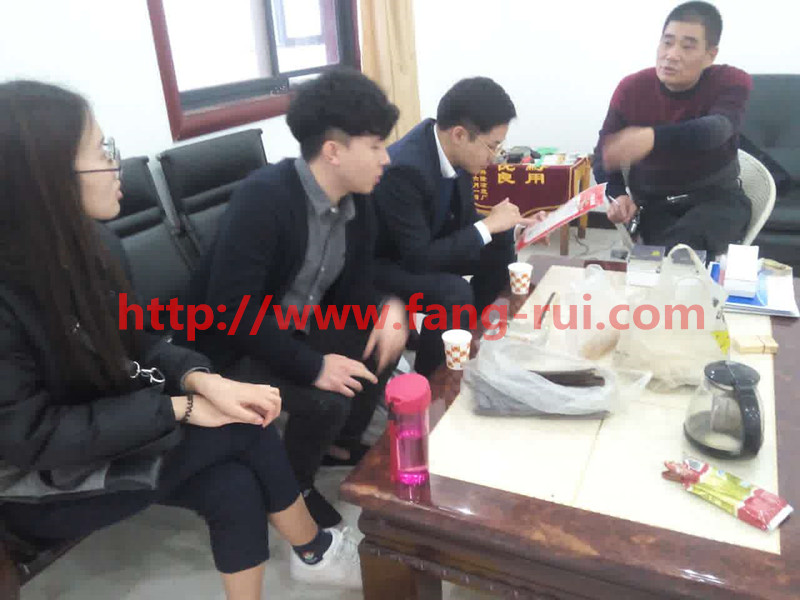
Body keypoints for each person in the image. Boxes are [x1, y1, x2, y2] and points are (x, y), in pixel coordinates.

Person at [0, 80, 362, 599]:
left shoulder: (97, 245)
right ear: (48, 177)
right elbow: (32, 437)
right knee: (248, 428)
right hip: (35, 480)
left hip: (105, 429)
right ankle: (315, 551)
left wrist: (201, 380)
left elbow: (140, 342)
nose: (116, 164)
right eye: (102, 151)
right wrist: (180, 408)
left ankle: (308, 558)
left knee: (233, 484)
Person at [187, 68, 408, 529]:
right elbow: (230, 312)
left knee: (379, 341)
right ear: (333, 151)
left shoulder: (358, 200)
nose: (386, 159)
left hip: (297, 327)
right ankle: (291, 486)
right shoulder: (264, 199)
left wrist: (388, 307)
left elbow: (355, 290)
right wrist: (313, 367)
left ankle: (338, 445)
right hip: (234, 344)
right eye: (375, 146)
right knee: (326, 398)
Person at [371, 77, 545, 376]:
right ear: (460, 135)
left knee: (500, 239)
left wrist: (515, 228)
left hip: (424, 245)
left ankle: (476, 337)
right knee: (453, 293)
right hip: (387, 264)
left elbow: (462, 221)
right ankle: (434, 378)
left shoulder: (455, 154)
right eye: (492, 146)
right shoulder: (405, 169)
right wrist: (488, 225)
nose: (494, 156)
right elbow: (418, 258)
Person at [594, 1, 752, 256]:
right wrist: (617, 194)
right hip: (654, 205)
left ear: (710, 55)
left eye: (687, 46)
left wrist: (653, 138)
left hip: (716, 200)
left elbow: (717, 129)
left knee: (683, 251)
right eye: (667, 42)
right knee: (660, 259)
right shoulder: (631, 89)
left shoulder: (731, 81)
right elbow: (604, 155)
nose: (672, 54)